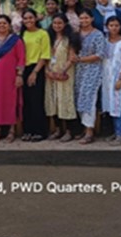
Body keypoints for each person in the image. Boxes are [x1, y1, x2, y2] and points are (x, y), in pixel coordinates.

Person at [0, 15, 25, 143]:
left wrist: (19, 75)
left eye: (4, 23)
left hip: (10, 77)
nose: (2, 25)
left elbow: (21, 58)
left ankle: (11, 130)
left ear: (9, 25)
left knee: (11, 102)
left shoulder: (16, 40)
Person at [71, 9, 105, 144]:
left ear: (91, 19)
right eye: (81, 18)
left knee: (89, 99)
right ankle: (84, 129)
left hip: (93, 70)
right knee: (79, 97)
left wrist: (81, 59)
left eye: (86, 18)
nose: (84, 21)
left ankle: (90, 131)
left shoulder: (98, 35)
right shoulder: (76, 34)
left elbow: (100, 55)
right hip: (79, 70)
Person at [45, 13, 79, 141]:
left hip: (65, 73)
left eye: (60, 23)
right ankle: (58, 130)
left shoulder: (69, 38)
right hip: (50, 74)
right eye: (54, 23)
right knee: (53, 101)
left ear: (65, 24)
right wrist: (48, 71)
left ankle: (70, 131)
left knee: (65, 100)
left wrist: (62, 72)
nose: (57, 25)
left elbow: (72, 58)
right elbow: (45, 56)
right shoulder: (49, 38)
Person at [20, 8, 50, 141]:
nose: (28, 21)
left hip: (37, 68)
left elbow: (45, 55)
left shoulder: (43, 34)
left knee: (36, 101)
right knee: (26, 102)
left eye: (30, 17)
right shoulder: (22, 35)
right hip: (23, 69)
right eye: (25, 18)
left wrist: (34, 72)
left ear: (36, 19)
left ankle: (40, 131)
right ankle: (28, 130)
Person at [102, 16, 121, 145]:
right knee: (110, 105)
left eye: (116, 25)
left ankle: (120, 134)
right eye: (111, 25)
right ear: (107, 27)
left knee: (118, 105)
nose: (114, 28)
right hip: (106, 77)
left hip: (119, 77)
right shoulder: (104, 41)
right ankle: (115, 132)